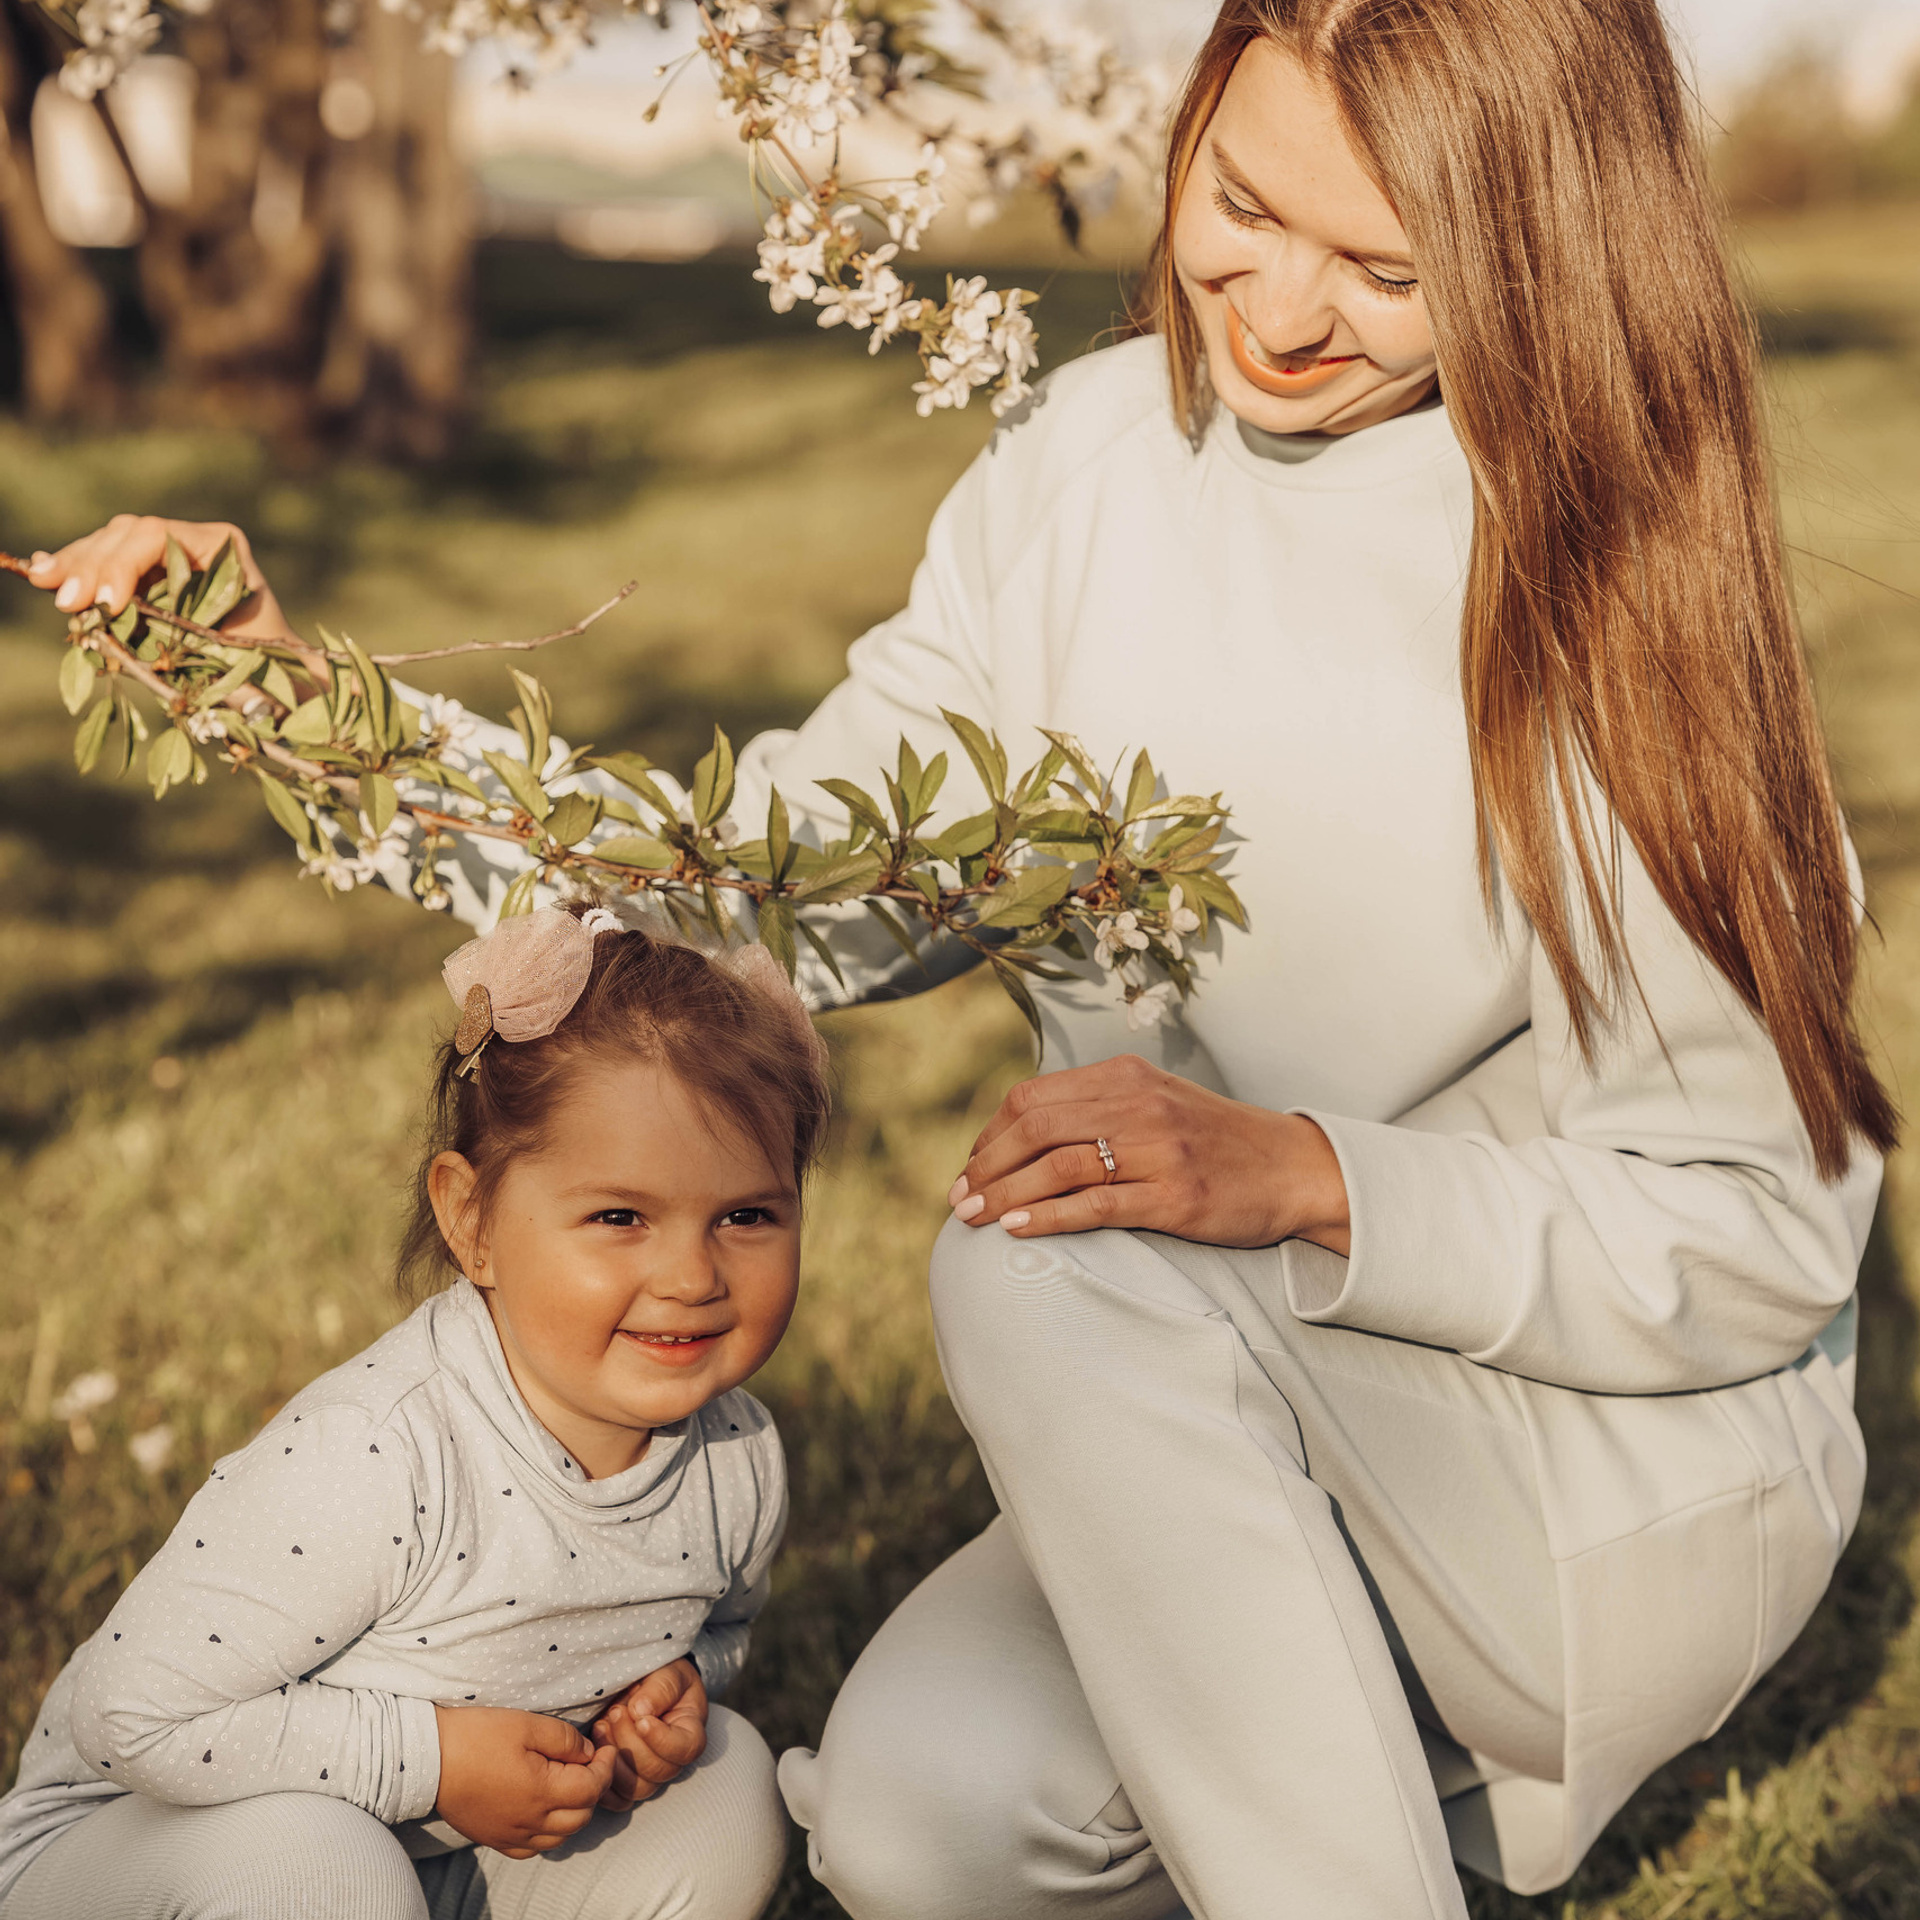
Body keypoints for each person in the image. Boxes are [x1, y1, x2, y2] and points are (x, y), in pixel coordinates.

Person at [24, 0, 1900, 1911]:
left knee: (1050, 1253)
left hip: (1582, 1467)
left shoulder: (1611, 584)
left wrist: (1309, 1176)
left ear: (1534, 258)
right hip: (1230, 1436)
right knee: (924, 1826)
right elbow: (775, 877)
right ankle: (1341, 1806)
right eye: (1240, 200)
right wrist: (299, 705)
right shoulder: (1087, 460)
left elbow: (1753, 1231)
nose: (1280, 305)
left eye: (1388, 267)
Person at [0, 904, 830, 1920]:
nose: (691, 1273)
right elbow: (130, 1716)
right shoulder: (382, 1452)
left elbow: (720, 1626)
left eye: (747, 1215)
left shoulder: (735, 1459)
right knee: (317, 1859)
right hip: (141, 1848)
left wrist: (670, 1692)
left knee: (728, 1781)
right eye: (619, 1217)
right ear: (471, 1222)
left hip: (422, 1862)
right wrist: (427, 1763)